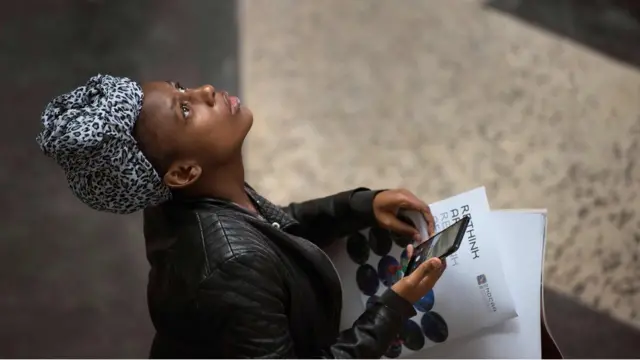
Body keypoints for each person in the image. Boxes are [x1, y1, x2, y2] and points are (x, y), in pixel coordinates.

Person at [37, 75, 446, 358]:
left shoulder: (190, 194)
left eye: (182, 88)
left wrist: (359, 206)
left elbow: (277, 228)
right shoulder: (230, 264)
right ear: (182, 172)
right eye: (185, 110)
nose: (206, 90)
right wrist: (394, 307)